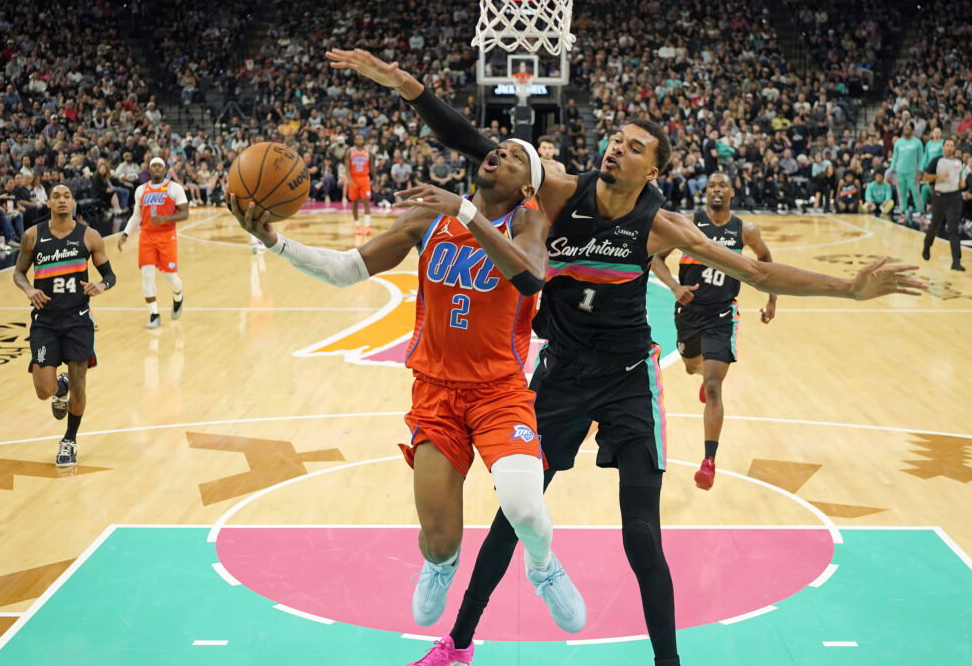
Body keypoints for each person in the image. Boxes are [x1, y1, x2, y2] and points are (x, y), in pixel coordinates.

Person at [328, 47, 924, 666]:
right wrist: (407, 86)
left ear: (654, 169)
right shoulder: (559, 193)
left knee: (641, 537)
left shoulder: (663, 226)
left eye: (634, 147)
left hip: (628, 381)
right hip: (561, 373)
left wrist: (849, 288)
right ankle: (456, 645)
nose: (617, 148)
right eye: (615, 139)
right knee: (515, 514)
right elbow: (476, 145)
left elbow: (757, 272)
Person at [228, 124, 585, 665]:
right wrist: (275, 241)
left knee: (524, 507)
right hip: (436, 393)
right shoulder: (428, 217)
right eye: (499, 148)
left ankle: (542, 567)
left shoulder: (527, 221)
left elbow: (532, 274)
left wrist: (466, 213)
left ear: (525, 188)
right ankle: (440, 564)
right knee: (440, 539)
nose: (500, 154)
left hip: (499, 392)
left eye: (515, 157)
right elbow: (347, 270)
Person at [650, 173, 776, 490]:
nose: (717, 190)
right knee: (692, 366)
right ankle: (701, 373)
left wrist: (772, 298)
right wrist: (675, 286)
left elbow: (765, 259)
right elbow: (656, 259)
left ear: (732, 192)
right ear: (705, 193)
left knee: (714, 387)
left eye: (722, 186)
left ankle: (708, 461)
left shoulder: (746, 230)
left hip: (722, 316)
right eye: (712, 186)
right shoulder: (689, 224)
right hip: (689, 314)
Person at [12, 183, 115, 466]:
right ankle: (60, 387)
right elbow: (18, 273)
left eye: (66, 196)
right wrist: (28, 289)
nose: (61, 200)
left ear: (73, 202)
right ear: (47, 202)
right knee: (43, 391)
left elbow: (109, 274)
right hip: (44, 322)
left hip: (78, 321)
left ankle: (69, 440)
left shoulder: (89, 236)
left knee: (79, 386)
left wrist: (101, 285)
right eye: (56, 196)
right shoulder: (33, 236)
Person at [117, 156, 188, 328]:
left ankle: (178, 296)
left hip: (167, 236)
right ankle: (154, 314)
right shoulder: (141, 190)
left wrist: (165, 218)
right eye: (153, 166)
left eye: (159, 166)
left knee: (170, 277)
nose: (156, 168)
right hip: (147, 237)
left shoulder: (174, 188)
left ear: (165, 169)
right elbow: (136, 216)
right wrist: (125, 233)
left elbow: (184, 213)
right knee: (147, 275)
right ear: (149, 169)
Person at [921, 137, 966, 271]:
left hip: (954, 198)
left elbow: (959, 178)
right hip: (939, 197)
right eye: (947, 145)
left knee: (953, 229)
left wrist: (961, 183)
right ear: (943, 147)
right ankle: (927, 245)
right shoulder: (936, 160)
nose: (949, 148)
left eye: (952, 145)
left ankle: (956, 261)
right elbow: (925, 177)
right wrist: (938, 176)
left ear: (954, 148)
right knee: (934, 226)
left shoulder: (959, 162)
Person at [888, 123, 924, 219]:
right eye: (905, 128)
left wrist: (920, 171)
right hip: (900, 171)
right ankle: (903, 211)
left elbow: (921, 158)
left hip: (913, 172)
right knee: (901, 193)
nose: (906, 130)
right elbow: (895, 157)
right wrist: (892, 170)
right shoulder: (898, 142)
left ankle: (920, 211)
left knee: (916, 192)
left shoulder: (917, 142)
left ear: (912, 130)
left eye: (908, 128)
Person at [345, 133, 375, 235]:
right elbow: (347, 167)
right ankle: (357, 226)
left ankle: (367, 227)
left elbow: (372, 168)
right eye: (357, 139)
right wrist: (349, 179)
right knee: (354, 203)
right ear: (354, 140)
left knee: (366, 202)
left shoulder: (368, 152)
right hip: (354, 178)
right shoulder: (350, 152)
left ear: (363, 140)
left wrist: (376, 181)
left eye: (361, 139)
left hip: (364, 178)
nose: (359, 141)